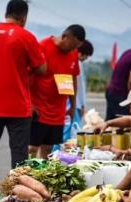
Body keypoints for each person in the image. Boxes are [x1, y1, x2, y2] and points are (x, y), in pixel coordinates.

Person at [0, 0, 46, 202]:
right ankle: (18, 196)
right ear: (24, 17)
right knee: (19, 153)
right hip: (19, 107)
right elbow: (41, 68)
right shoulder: (26, 36)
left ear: (7, 13)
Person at [30, 25, 85, 159]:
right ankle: (25, 174)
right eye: (72, 46)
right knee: (32, 147)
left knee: (48, 147)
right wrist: (29, 103)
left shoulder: (72, 54)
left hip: (58, 110)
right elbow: (28, 75)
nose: (73, 50)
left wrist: (72, 106)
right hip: (39, 108)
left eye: (76, 47)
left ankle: (41, 177)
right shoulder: (42, 46)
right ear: (65, 36)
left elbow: (73, 80)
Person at [95, 87, 131, 155]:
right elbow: (130, 120)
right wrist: (107, 123)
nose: (130, 111)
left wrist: (111, 149)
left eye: (130, 107)